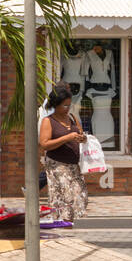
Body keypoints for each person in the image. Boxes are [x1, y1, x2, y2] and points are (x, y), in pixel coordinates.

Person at [40, 83, 88, 222]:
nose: (67, 108)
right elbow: (44, 144)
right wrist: (67, 137)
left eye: (69, 105)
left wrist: (82, 138)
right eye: (65, 105)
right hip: (57, 164)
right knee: (65, 196)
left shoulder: (72, 118)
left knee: (81, 194)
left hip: (73, 164)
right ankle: (64, 223)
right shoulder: (48, 121)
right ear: (56, 104)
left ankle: (65, 221)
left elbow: (79, 133)